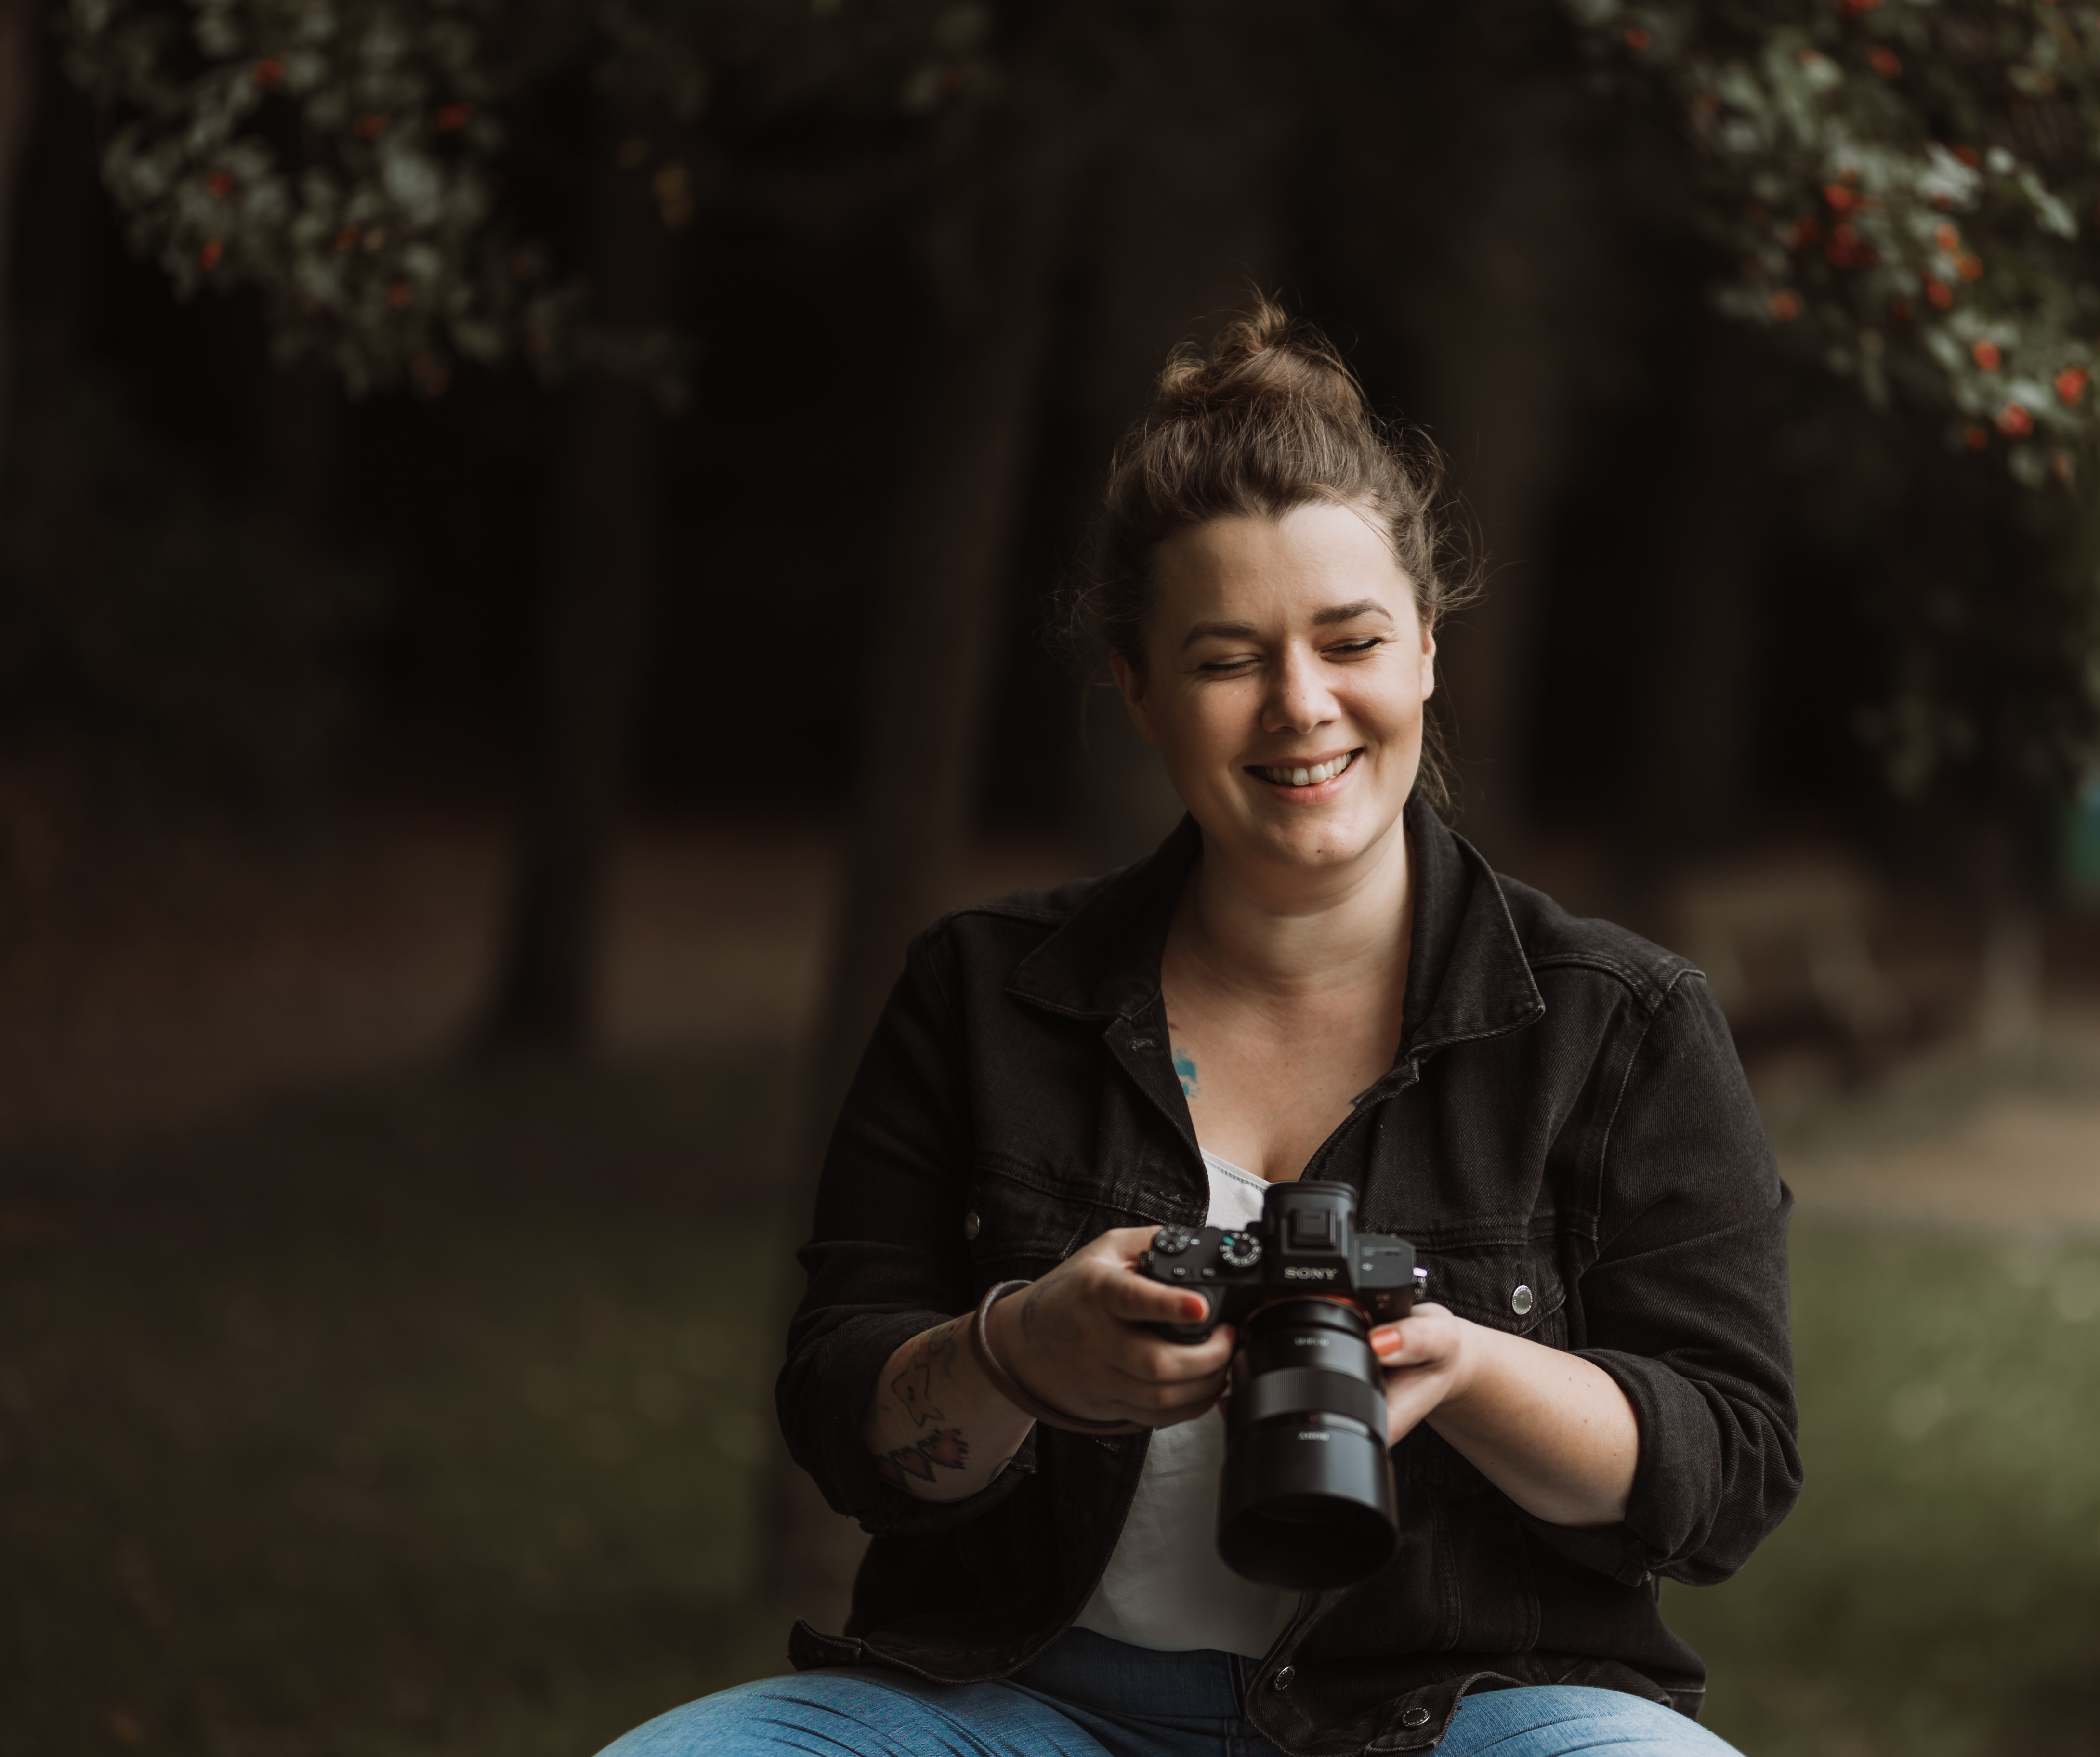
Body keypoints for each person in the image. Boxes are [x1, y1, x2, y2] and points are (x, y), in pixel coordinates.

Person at [599, 300, 1798, 1757]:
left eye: (1350, 640)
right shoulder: (983, 995)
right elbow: (849, 1418)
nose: (1302, 707)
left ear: (1425, 648)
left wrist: (1470, 1369)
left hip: (1466, 1717)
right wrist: (1020, 1353)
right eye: (1228, 658)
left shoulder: (1622, 1026)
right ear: (1139, 692)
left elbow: (1729, 1471)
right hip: (1014, 1702)